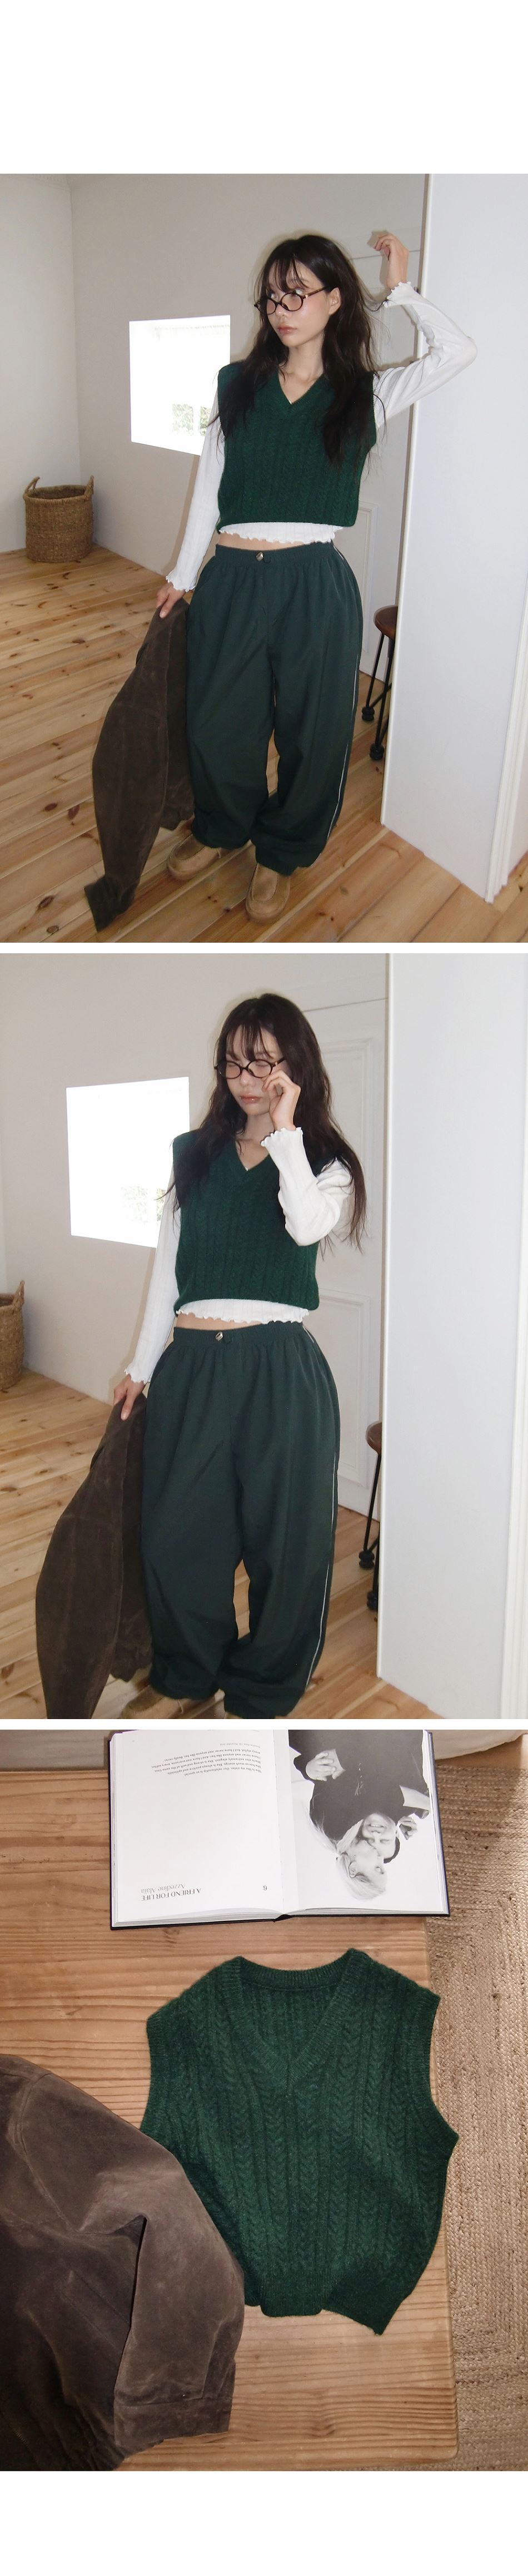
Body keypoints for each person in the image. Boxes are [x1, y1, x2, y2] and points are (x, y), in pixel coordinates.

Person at [156, 227, 476, 923]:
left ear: (335, 300)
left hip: (313, 584)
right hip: (231, 578)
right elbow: (209, 484)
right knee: (217, 720)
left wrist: (401, 289)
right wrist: (183, 574)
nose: (281, 308)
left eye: (297, 292)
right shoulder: (237, 385)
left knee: (315, 730)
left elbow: (457, 352)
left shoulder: (366, 394)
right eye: (272, 296)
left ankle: (280, 852)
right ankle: (221, 826)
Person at [113, 994, 366, 1720]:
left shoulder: (326, 1164)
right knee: (175, 1535)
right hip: (193, 1366)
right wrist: (142, 1366)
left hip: (278, 1367)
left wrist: (285, 1133)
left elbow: (305, 1226)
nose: (246, 1080)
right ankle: (188, 1671)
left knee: (287, 1543)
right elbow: (168, 1271)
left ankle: (262, 1688)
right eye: (233, 1064)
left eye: (262, 1064)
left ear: (295, 1068)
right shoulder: (192, 1155)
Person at [289, 1729, 430, 1880]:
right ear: (396, 1832)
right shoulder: (411, 1795)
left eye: (369, 1841)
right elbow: (399, 1734)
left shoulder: (338, 1824)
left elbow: (325, 1777)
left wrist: (307, 1769)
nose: (376, 1835)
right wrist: (416, 1807)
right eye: (385, 1841)